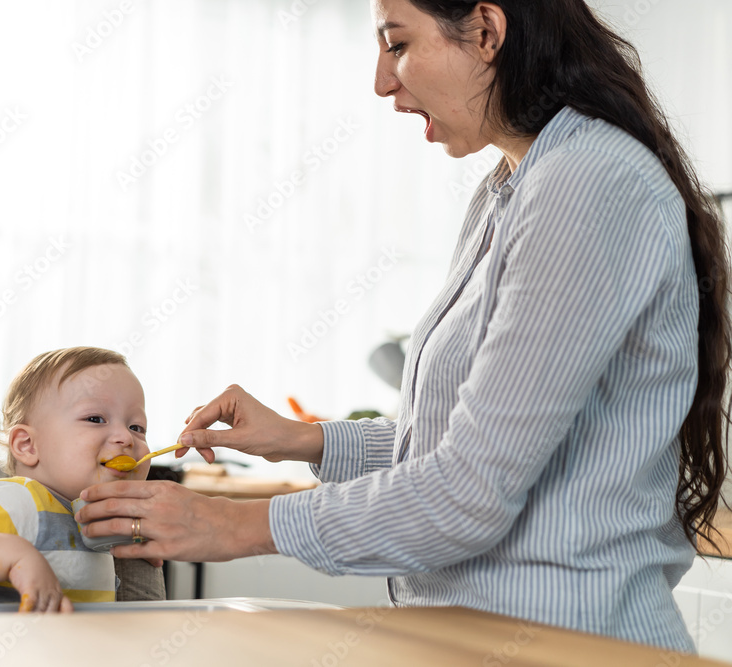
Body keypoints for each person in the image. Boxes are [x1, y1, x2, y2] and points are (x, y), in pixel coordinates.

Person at [74, 0, 731, 653]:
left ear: (486, 30)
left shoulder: (589, 183)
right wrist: (305, 440)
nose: (382, 81)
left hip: (569, 644)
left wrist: (239, 524)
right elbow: (475, 440)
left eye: (397, 44)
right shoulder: (511, 186)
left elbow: (470, 489)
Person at [0, 347, 152, 612]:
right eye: (95, 419)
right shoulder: (22, 498)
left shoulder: (102, 517)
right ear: (27, 445)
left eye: (136, 427)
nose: (125, 438)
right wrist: (15, 557)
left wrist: (146, 541)